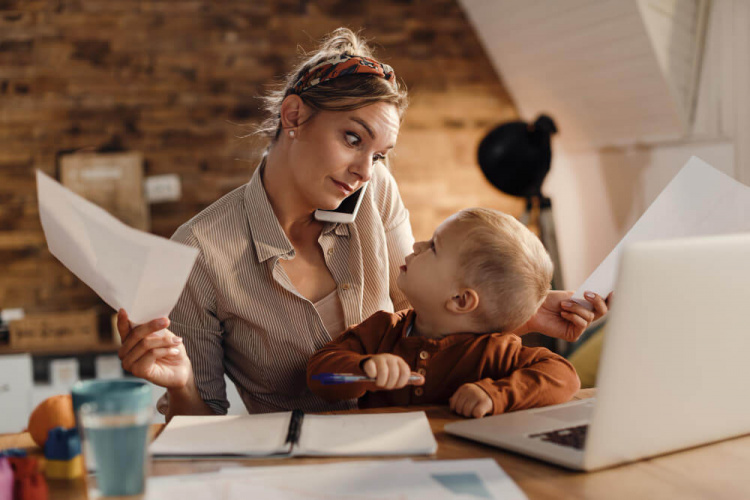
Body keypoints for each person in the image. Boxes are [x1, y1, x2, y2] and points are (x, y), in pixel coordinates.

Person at [115, 28, 609, 420]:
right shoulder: (200, 252)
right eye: (353, 139)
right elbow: (201, 426)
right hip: (301, 471)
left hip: (418, 444)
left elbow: (418, 312)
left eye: (379, 155)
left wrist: (522, 307)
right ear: (293, 115)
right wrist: (179, 382)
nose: (364, 171)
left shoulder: (375, 190)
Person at [307, 208, 580, 418]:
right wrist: (363, 369)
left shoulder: (494, 351)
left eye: (433, 247)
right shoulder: (380, 329)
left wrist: (494, 394)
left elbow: (564, 376)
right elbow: (318, 376)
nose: (416, 246)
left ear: (460, 300)